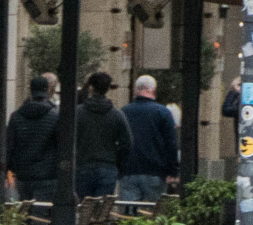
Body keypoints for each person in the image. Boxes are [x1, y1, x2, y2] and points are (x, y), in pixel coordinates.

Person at [120, 74, 177, 202]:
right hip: (155, 172)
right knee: (152, 213)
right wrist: (173, 171)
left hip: (129, 171)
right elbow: (171, 143)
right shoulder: (163, 112)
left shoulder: (124, 112)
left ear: (136, 90)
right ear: (152, 89)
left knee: (128, 216)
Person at [7, 73, 62, 204]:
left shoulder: (16, 116)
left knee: (24, 214)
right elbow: (60, 145)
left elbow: (9, 145)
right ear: (47, 90)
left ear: (31, 90)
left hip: (23, 175)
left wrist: (12, 168)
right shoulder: (55, 116)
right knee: (41, 216)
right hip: (47, 175)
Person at [75, 71, 131, 199]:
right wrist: (117, 162)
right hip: (108, 167)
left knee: (83, 208)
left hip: (83, 166)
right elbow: (127, 143)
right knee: (101, 210)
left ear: (91, 87)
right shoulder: (117, 115)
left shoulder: (78, 113)